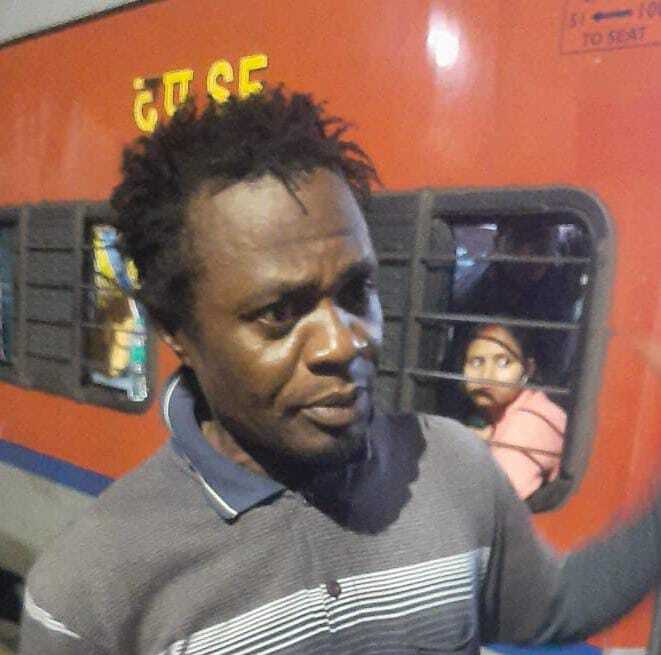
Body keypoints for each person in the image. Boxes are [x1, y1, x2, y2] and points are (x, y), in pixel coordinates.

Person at [19, 87, 660, 655]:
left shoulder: (457, 470)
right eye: (279, 313)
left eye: (357, 293)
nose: (346, 341)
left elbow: (553, 608)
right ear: (175, 331)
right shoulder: (93, 591)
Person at [461, 323, 565, 500]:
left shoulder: (531, 422)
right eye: (476, 362)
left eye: (503, 362)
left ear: (528, 369)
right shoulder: (509, 411)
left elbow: (489, 501)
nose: (486, 375)